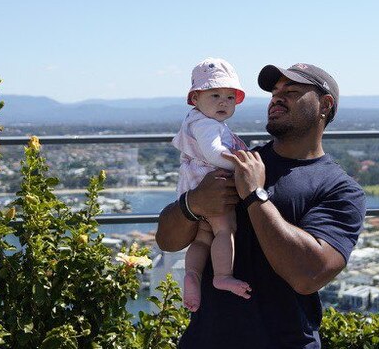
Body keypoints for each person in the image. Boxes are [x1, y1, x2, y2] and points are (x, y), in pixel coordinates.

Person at [156, 63, 366, 348]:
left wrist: (255, 194)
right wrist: (193, 204)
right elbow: (167, 241)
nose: (277, 98)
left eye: (291, 91)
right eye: (274, 92)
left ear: (325, 105)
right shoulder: (238, 161)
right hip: (205, 339)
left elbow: (308, 275)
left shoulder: (339, 188)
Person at [172, 58, 252, 312]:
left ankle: (193, 274)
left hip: (193, 188)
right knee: (224, 230)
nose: (223, 102)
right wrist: (241, 165)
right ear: (195, 98)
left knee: (203, 237)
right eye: (215, 94)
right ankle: (222, 276)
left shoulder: (195, 120)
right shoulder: (207, 125)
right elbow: (213, 153)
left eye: (230, 97)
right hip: (212, 186)